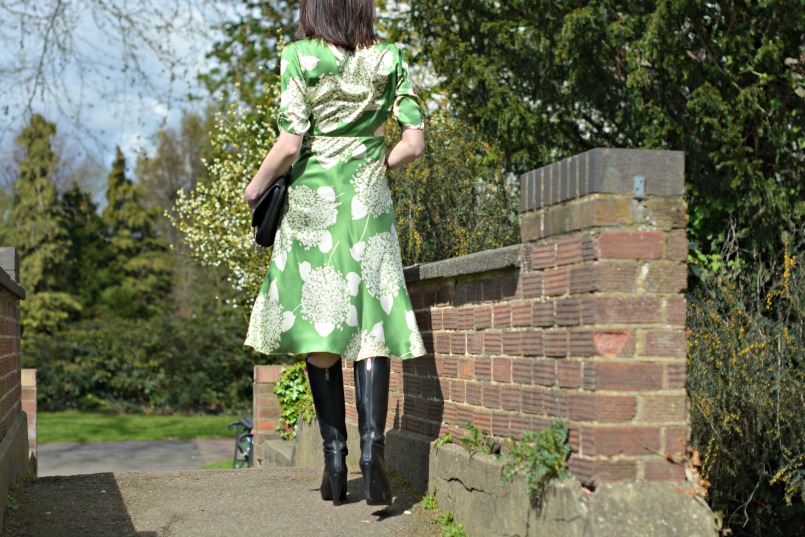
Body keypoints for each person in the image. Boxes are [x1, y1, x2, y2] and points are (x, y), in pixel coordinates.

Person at [243, 0, 426, 507]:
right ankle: (373, 450)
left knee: (321, 322)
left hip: (313, 204)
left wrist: (255, 189)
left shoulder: (299, 55)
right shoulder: (389, 58)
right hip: (368, 199)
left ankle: (333, 459)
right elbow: (414, 143)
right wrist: (373, 162)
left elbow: (289, 143)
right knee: (371, 321)